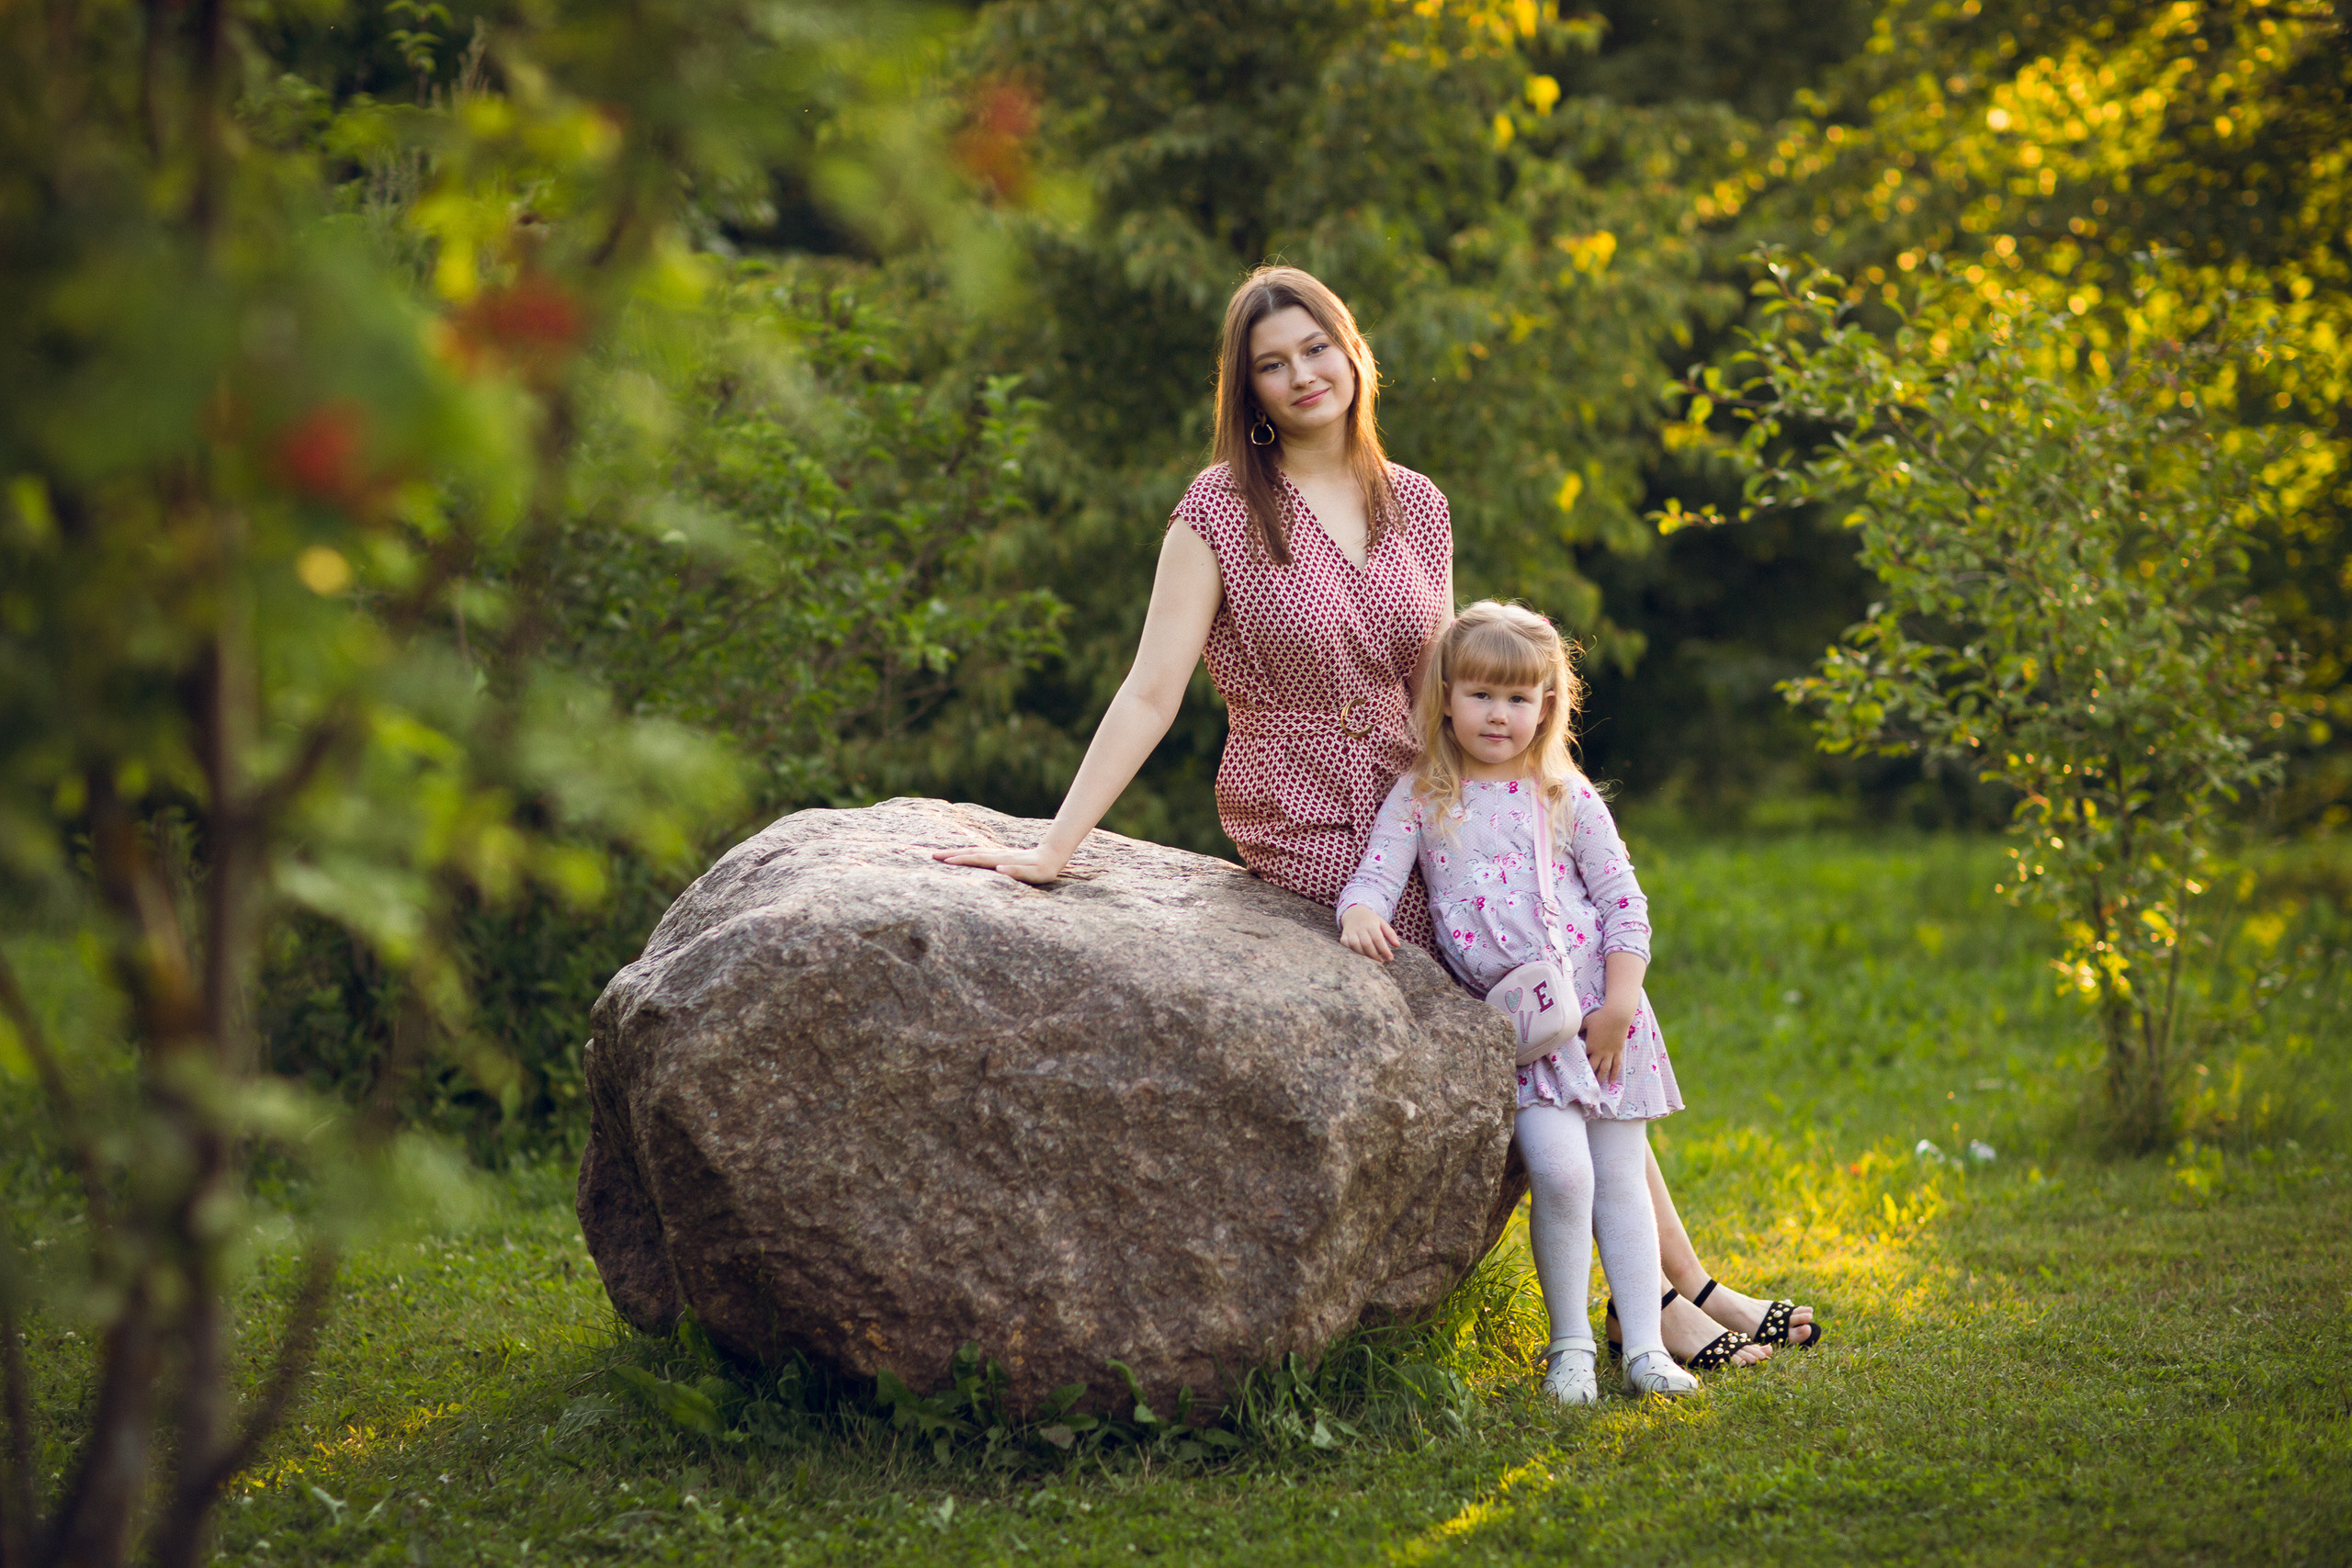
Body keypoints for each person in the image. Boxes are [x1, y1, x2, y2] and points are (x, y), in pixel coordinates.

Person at [934, 263, 1815, 1367]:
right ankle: (1682, 1295)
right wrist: (1053, 848)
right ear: (1245, 391)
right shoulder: (1215, 511)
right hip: (1301, 813)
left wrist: (1522, 818)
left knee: (1557, 981)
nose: (1300, 375)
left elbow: (1445, 695)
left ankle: (1677, 1293)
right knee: (1526, 994)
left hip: (1425, 808)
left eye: (1316, 349)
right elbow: (1152, 690)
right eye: (1271, 364)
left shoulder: (1419, 503)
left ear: (1353, 353)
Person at [1335, 602, 1695, 1402]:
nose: (1499, 715)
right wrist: (1361, 909)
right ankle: (1569, 1344)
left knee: (1620, 1176)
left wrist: (1622, 1004)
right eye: (1481, 695)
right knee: (1562, 1173)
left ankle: (1644, 1346)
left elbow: (1624, 902)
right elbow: (1376, 876)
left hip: (1602, 1014)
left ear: (1546, 707)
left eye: (1518, 698)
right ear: (1447, 698)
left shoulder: (1563, 794)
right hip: (1524, 1028)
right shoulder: (1424, 794)